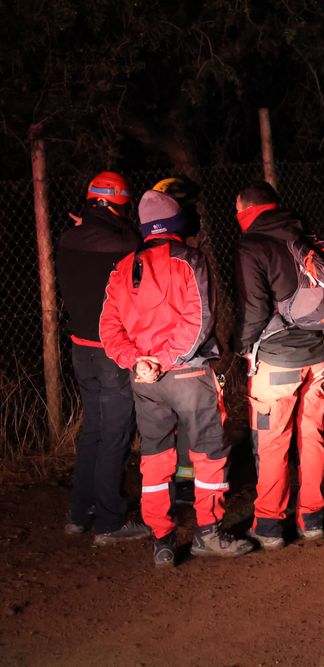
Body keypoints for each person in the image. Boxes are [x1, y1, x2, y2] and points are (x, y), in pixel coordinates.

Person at [100, 189, 252, 567]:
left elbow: (108, 327)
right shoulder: (190, 260)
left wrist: (138, 362)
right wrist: (165, 360)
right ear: (177, 225)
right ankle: (209, 533)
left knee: (155, 457)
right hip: (188, 373)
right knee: (209, 453)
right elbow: (199, 321)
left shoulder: (122, 268)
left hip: (146, 381)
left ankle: (162, 540)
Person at [234, 181, 324, 550]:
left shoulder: (252, 246)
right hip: (317, 357)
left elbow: (254, 309)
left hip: (275, 360)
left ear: (246, 209)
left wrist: (242, 346)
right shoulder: (305, 237)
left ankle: (270, 525)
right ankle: (312, 518)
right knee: (312, 438)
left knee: (273, 442)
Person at [56, 171, 149, 545]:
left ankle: (80, 512)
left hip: (81, 349)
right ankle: (110, 522)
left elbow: (95, 234)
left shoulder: (68, 238)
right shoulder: (124, 241)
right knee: (116, 433)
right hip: (113, 351)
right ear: (119, 205)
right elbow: (136, 245)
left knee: (93, 430)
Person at [151, 176, 205, 505]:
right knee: (187, 415)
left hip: (159, 342)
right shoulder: (188, 253)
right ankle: (183, 478)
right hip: (181, 342)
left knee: (168, 417)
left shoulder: (145, 250)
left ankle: (171, 481)